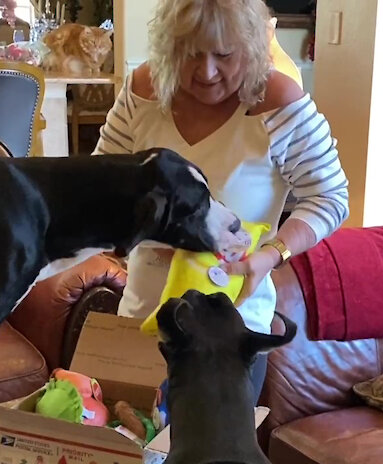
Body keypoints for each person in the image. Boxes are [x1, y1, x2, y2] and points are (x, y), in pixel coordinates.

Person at [94, 0, 349, 397]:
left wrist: (271, 255)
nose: (207, 71)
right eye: (190, 54)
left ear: (249, 46)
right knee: (134, 452)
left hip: (233, 326)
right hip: (141, 318)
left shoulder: (278, 101)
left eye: (224, 55)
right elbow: (103, 181)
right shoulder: (144, 89)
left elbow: (330, 197)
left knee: (215, 458)